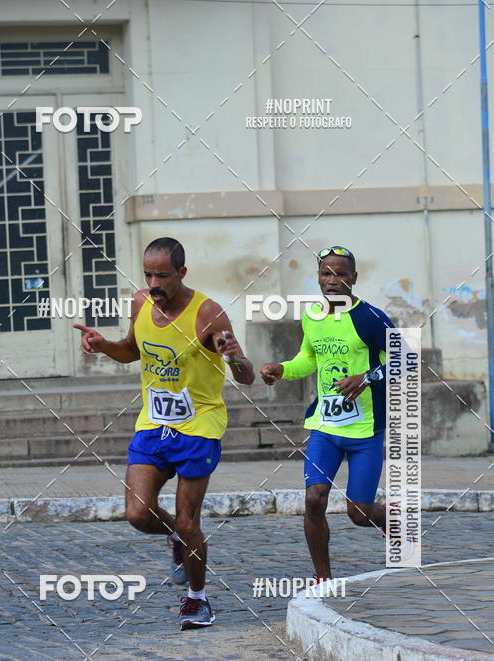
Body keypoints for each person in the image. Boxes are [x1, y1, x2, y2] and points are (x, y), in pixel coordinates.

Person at [75, 237, 254, 630]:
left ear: (182, 273)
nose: (154, 283)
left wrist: (235, 358)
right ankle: (176, 537)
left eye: (162, 275)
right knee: (138, 514)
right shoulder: (140, 303)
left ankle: (197, 599)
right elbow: (131, 349)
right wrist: (103, 345)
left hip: (199, 425)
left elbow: (247, 377)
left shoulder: (208, 313)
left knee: (190, 522)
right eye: (148, 274)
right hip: (153, 424)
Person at [261, 246, 394, 581]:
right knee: (314, 499)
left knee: (358, 514)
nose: (332, 281)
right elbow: (309, 358)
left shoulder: (371, 318)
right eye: (326, 274)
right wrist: (282, 368)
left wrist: (367, 377)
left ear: (354, 278)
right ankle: (323, 579)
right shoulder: (313, 316)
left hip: (364, 429)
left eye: (340, 274)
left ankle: (387, 518)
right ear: (318, 277)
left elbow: (405, 361)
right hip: (325, 425)